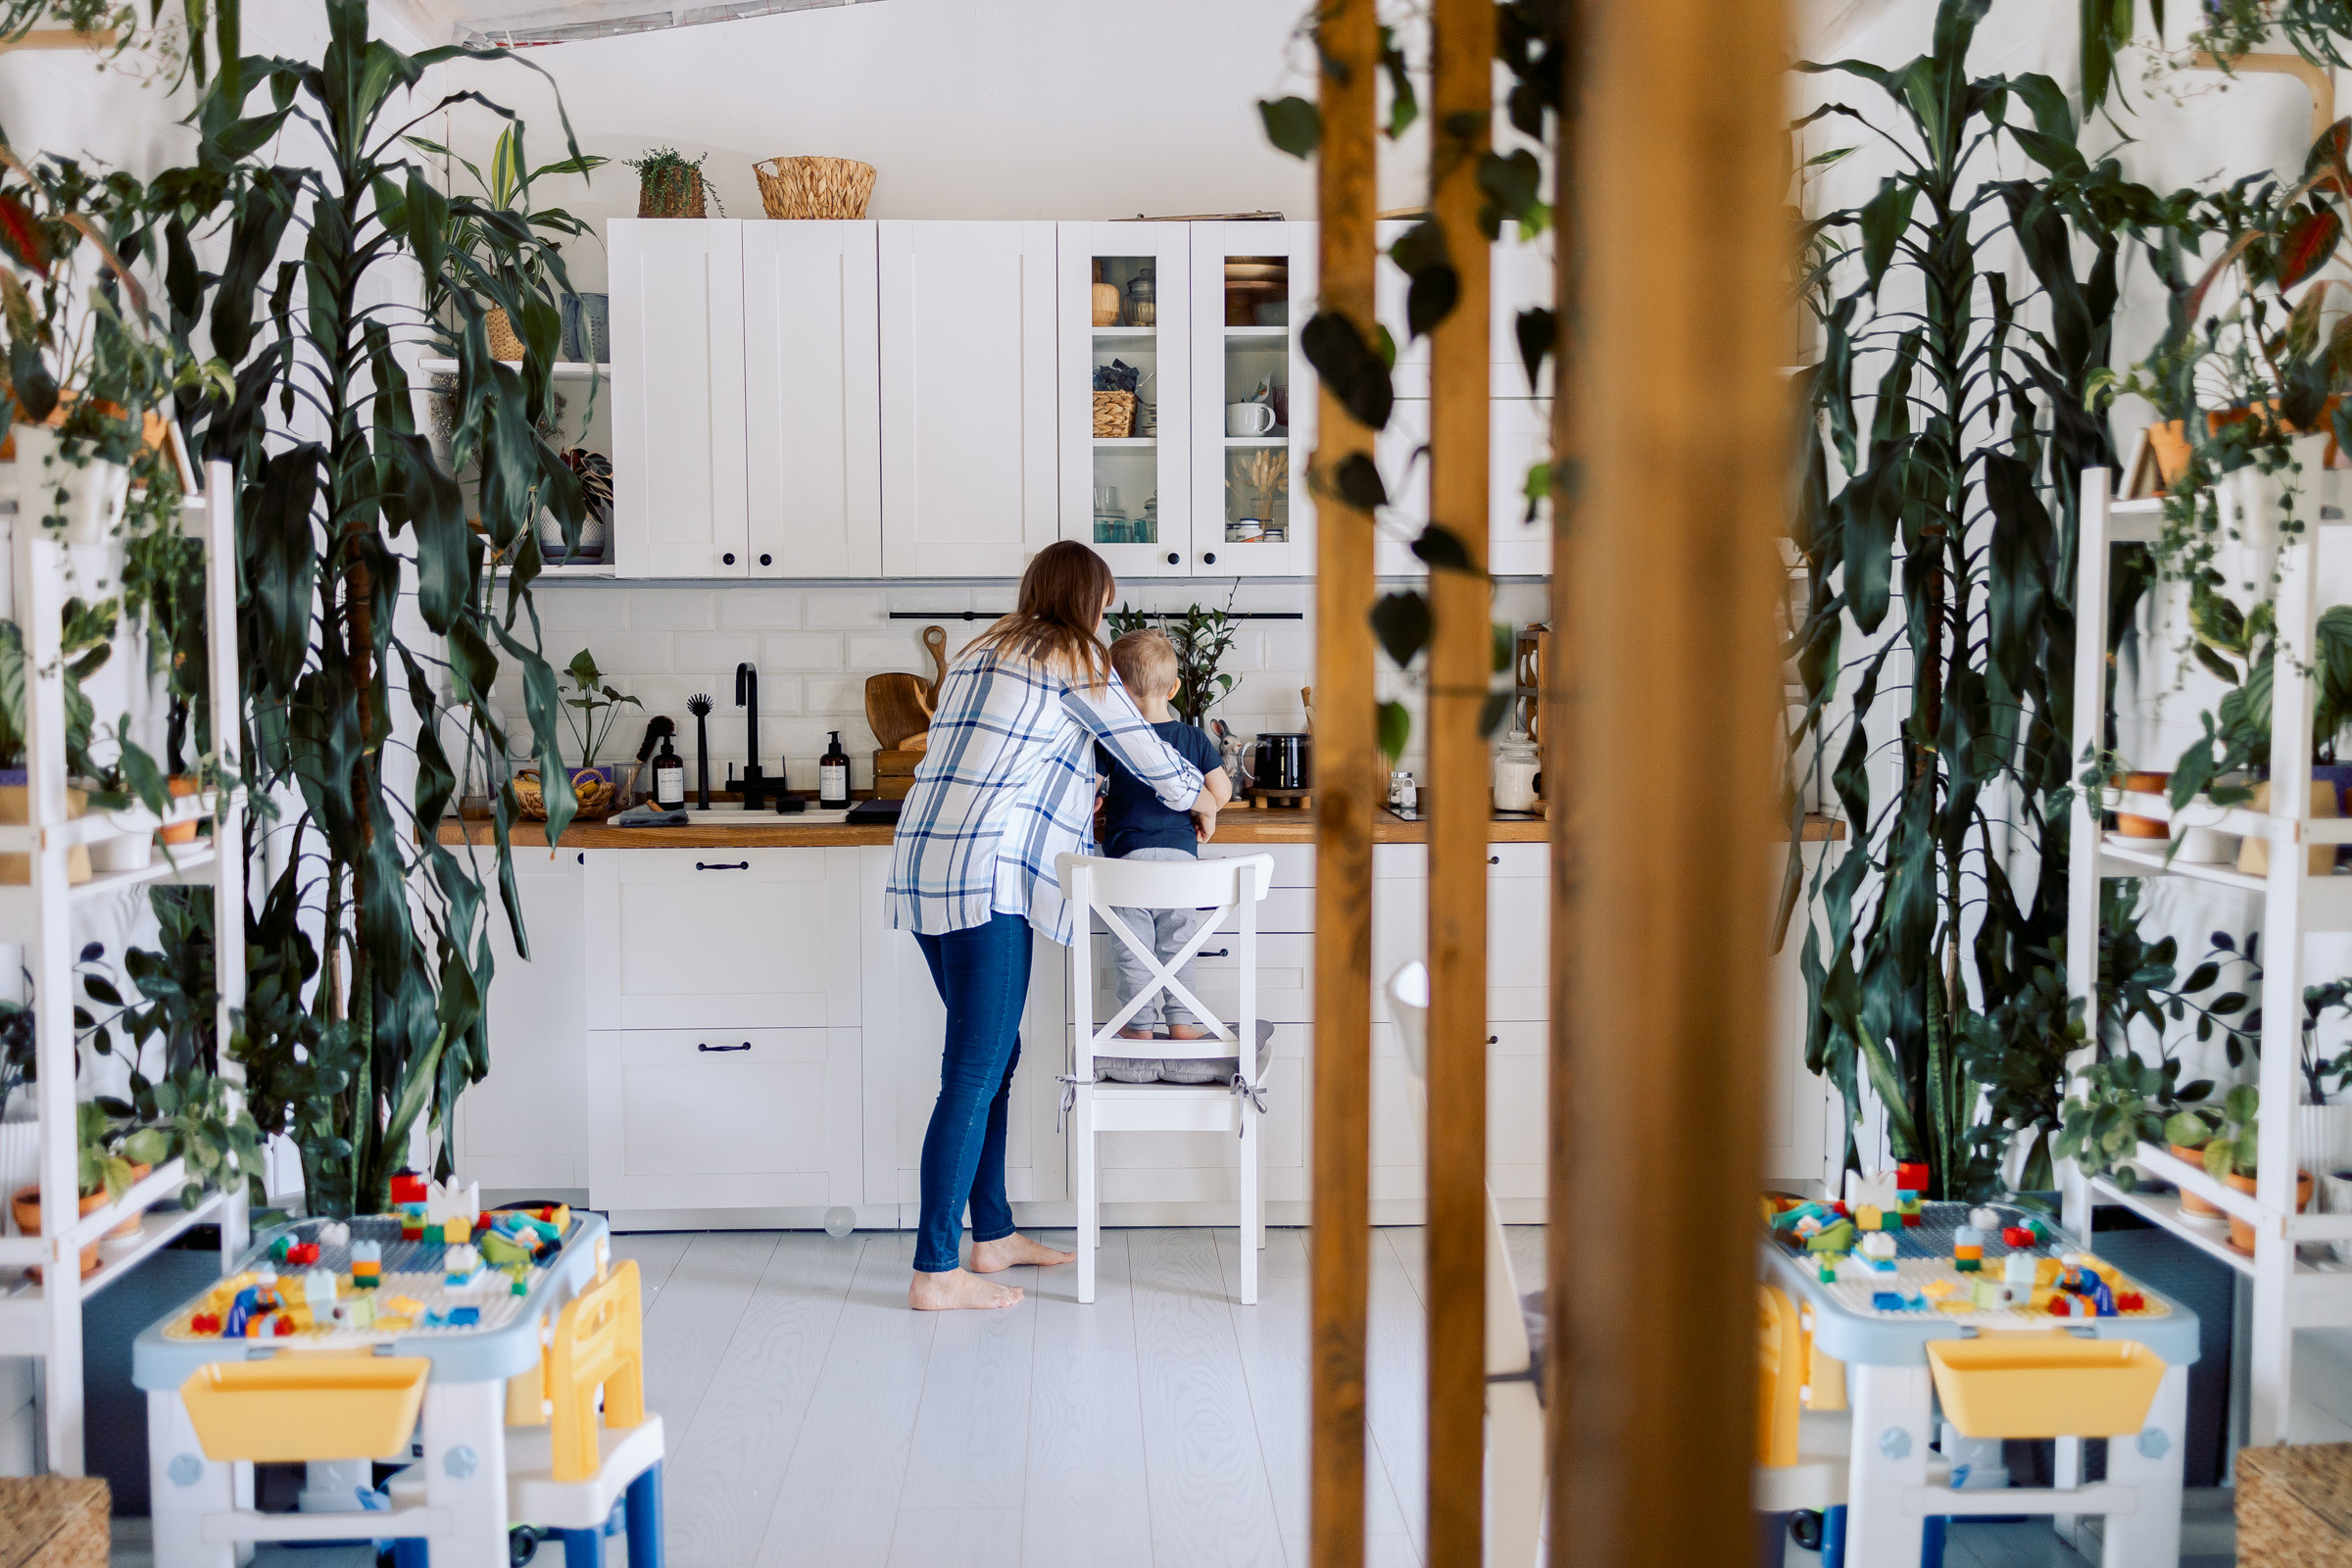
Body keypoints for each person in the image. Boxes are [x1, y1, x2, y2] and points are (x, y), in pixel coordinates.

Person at [886, 542, 1221, 1310]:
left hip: (925, 867)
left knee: (993, 1054)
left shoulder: (983, 650)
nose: (1109, 614)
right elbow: (1150, 760)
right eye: (1106, 601)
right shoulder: (1077, 661)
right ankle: (935, 1270)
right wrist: (1201, 793)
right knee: (974, 1068)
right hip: (987, 878)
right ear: (1087, 601)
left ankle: (992, 1235)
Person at [1095, 628, 1234, 1061]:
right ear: (1173, 688)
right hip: (1179, 863)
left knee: (1133, 951)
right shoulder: (1192, 738)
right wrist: (1203, 811)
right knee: (1179, 948)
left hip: (1126, 864)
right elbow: (1222, 791)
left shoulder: (1110, 739)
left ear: (1114, 689)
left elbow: (1088, 793)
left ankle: (1138, 1032)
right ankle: (1182, 1027)